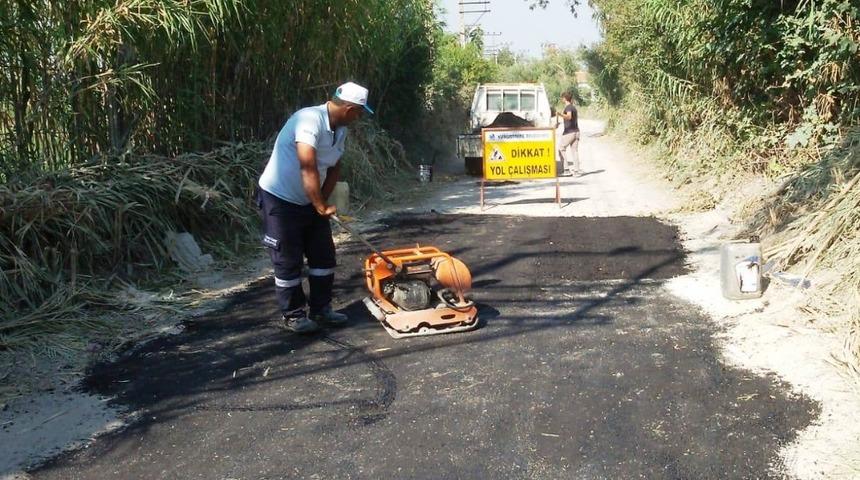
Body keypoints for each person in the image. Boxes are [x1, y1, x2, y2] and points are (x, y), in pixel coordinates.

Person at [257, 82, 373, 333]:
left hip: (311, 198)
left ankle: (321, 309)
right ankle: (294, 315)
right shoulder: (309, 120)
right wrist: (319, 204)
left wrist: (322, 201)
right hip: (281, 199)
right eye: (360, 113)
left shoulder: (339, 130)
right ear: (350, 109)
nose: (359, 118)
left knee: (323, 255)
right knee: (288, 259)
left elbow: (334, 167)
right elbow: (307, 166)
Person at [556, 92, 581, 176]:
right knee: (575, 151)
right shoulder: (573, 107)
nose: (561, 99)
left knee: (561, 148)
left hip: (569, 132)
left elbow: (569, 117)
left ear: (564, 98)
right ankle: (576, 171)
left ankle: (566, 169)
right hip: (576, 132)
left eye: (562, 98)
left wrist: (560, 114)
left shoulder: (568, 107)